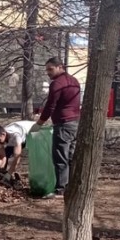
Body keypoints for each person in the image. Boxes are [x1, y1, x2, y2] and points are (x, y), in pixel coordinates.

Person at [34, 57, 81, 199]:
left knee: (60, 157)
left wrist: (39, 123)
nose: (48, 72)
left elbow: (50, 106)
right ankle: (74, 187)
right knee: (72, 157)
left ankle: (60, 190)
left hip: (63, 124)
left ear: (60, 67)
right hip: (75, 123)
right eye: (47, 70)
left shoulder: (57, 84)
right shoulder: (74, 81)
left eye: (50, 69)